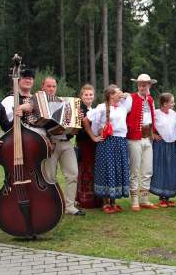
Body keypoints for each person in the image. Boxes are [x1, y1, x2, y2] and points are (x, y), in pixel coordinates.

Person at [83, 84, 130, 214]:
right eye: (117, 92)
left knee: (117, 170)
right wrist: (93, 137)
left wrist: (124, 94)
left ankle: (114, 202)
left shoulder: (123, 107)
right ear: (110, 95)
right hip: (107, 142)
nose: (120, 93)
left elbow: (129, 97)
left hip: (120, 141)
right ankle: (105, 202)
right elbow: (86, 120)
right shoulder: (102, 108)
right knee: (107, 170)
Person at [41, 77, 84, 216]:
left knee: (73, 174)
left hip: (66, 142)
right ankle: (52, 206)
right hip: (49, 143)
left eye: (53, 86)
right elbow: (37, 125)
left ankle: (70, 207)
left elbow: (73, 127)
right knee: (50, 176)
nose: (51, 88)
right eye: (49, 86)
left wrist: (78, 117)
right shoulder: (39, 104)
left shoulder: (64, 102)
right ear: (43, 87)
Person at [125, 74, 159, 211]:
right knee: (135, 169)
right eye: (140, 84)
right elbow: (123, 114)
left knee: (147, 169)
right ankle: (134, 201)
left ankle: (144, 199)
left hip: (147, 138)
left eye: (145, 84)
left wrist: (152, 133)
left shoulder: (150, 100)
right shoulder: (131, 98)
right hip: (134, 138)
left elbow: (152, 117)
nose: (142, 86)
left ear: (149, 85)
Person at [151, 93, 176, 207]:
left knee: (171, 170)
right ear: (165, 103)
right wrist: (152, 134)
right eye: (172, 102)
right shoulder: (155, 113)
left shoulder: (174, 114)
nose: (174, 104)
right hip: (160, 145)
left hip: (171, 145)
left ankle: (168, 196)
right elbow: (146, 124)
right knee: (162, 170)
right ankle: (162, 197)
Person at [75, 84, 102, 209]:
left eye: (91, 94)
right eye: (86, 94)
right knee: (85, 170)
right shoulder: (78, 110)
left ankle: (96, 198)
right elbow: (77, 129)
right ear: (81, 96)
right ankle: (85, 199)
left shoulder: (94, 109)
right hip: (84, 142)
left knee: (94, 169)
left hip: (94, 144)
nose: (88, 97)